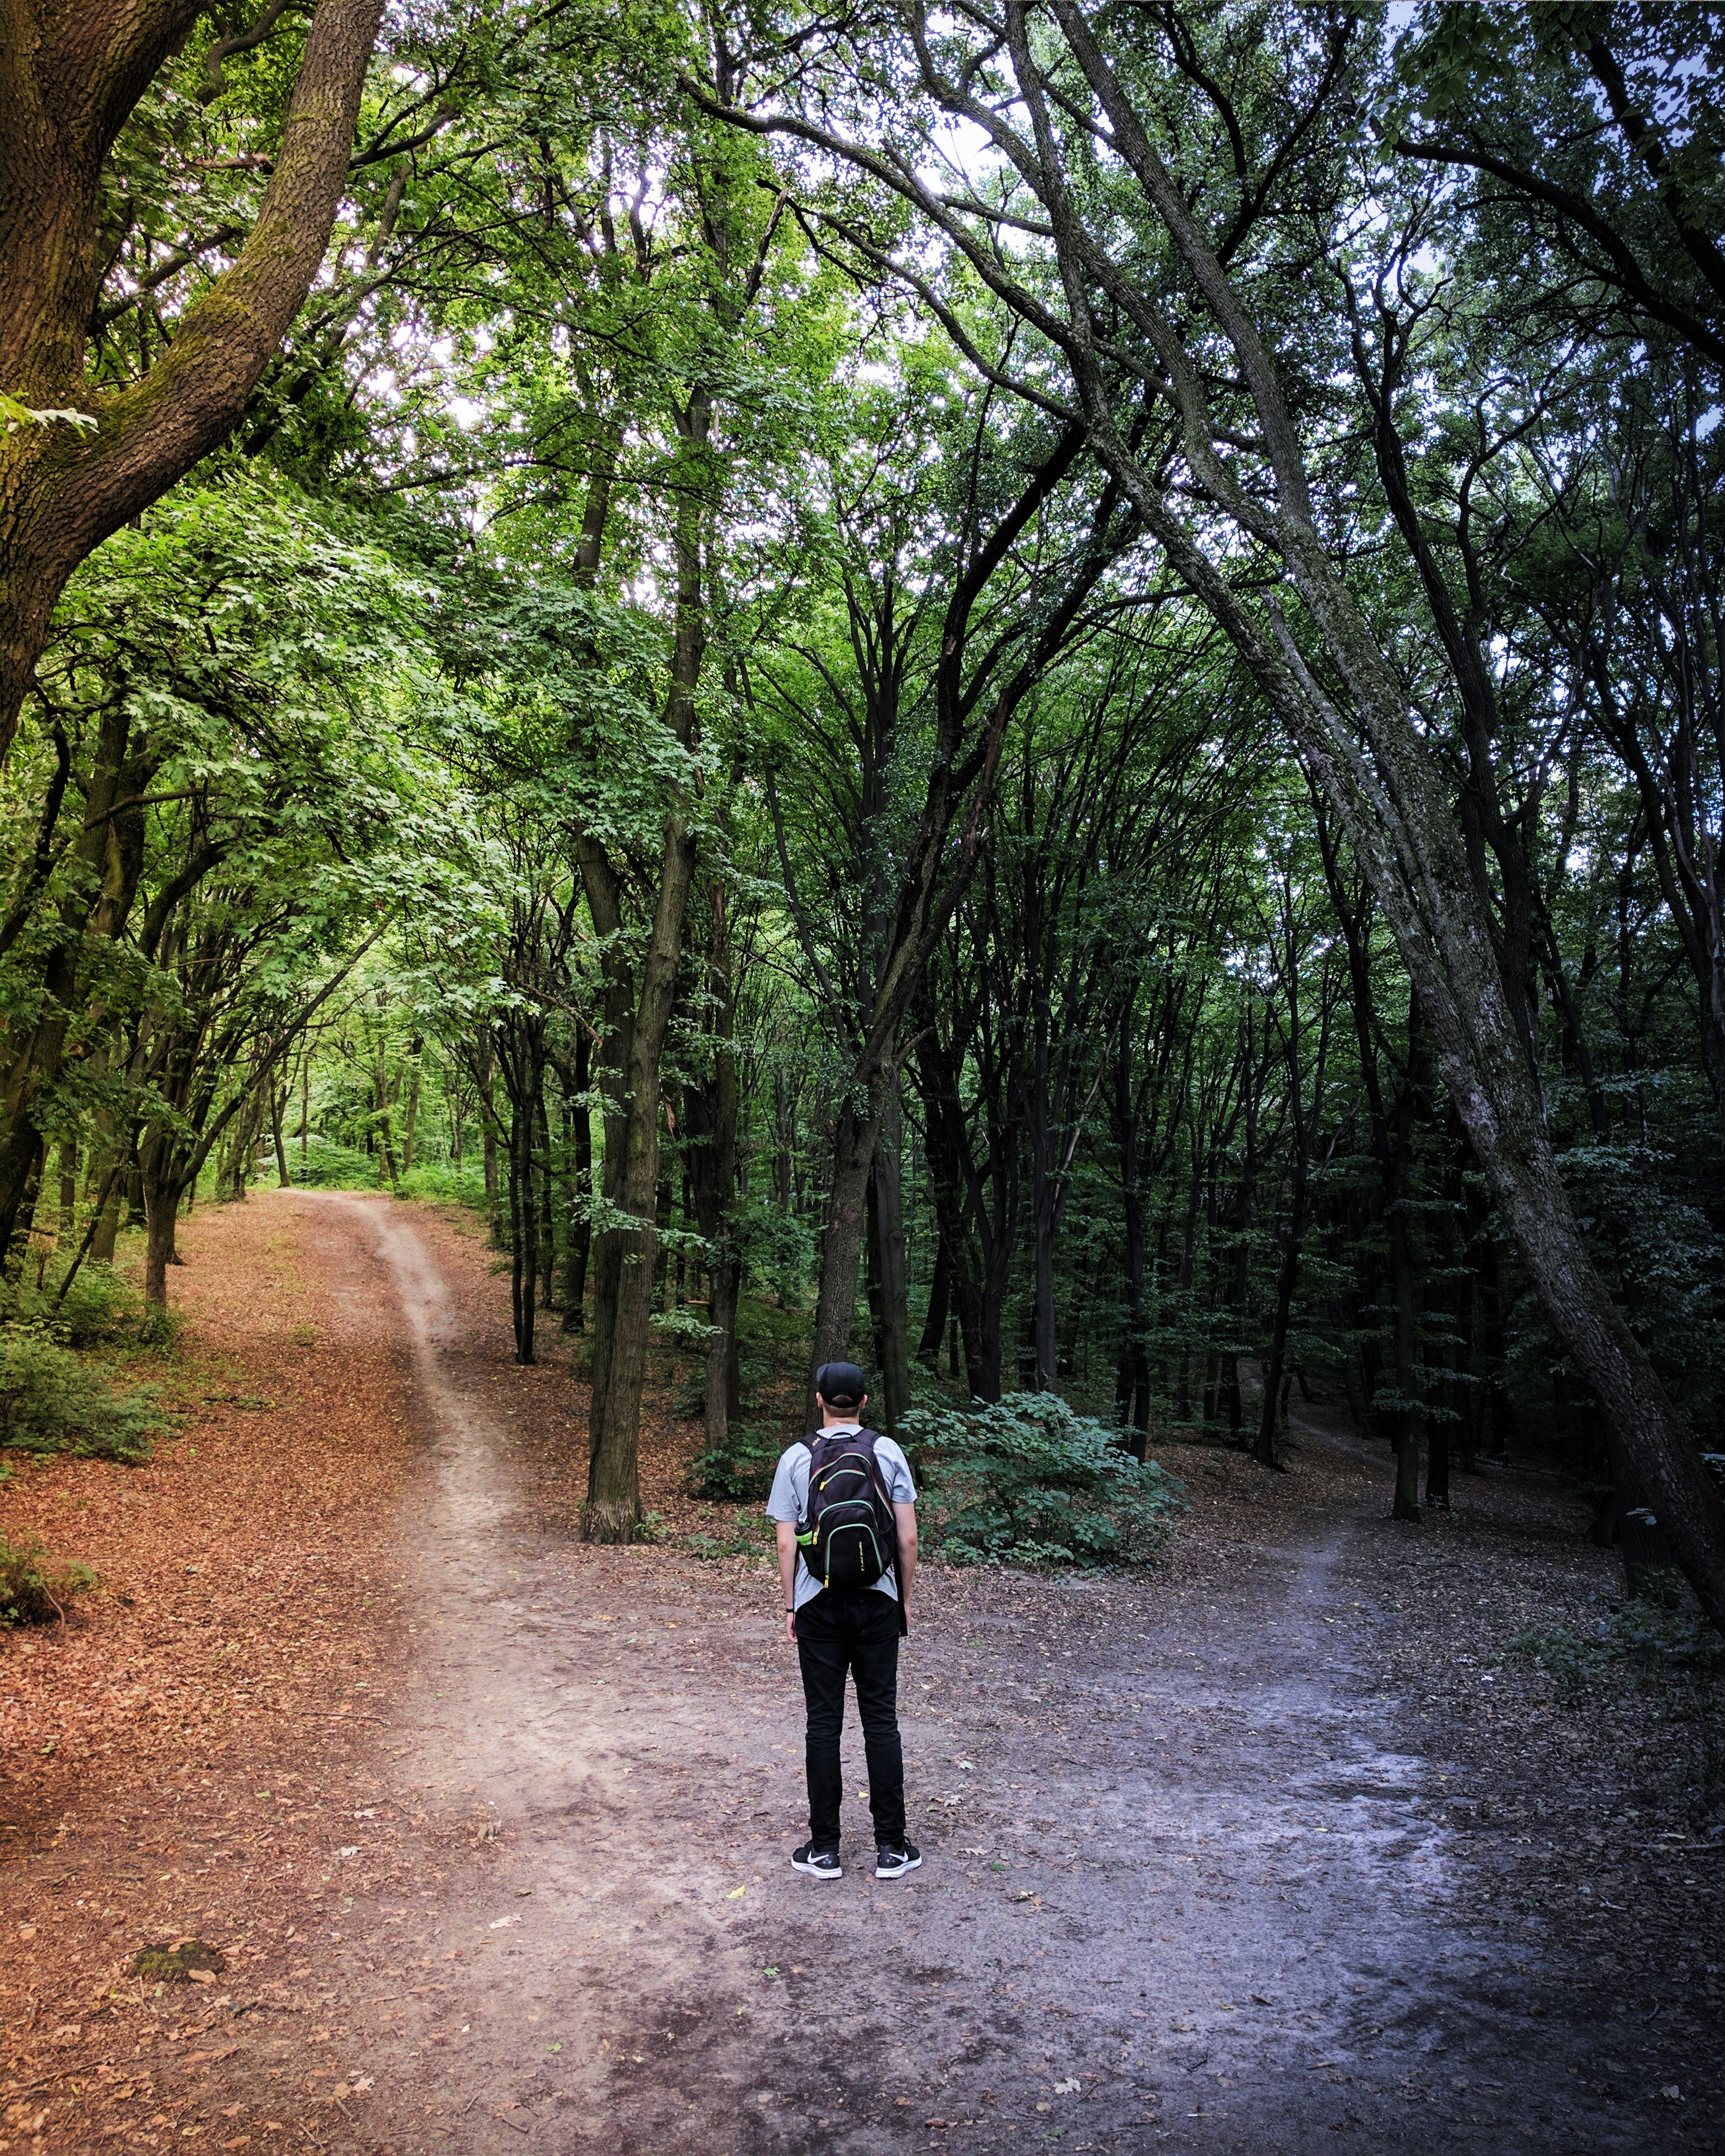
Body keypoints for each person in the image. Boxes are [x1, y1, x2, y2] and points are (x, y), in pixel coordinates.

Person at [766, 1360, 922, 1881]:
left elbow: (787, 1541)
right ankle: (892, 1848)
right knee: (881, 1719)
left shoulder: (796, 1457)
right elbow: (908, 1539)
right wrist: (902, 1598)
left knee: (822, 1722)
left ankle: (825, 1849)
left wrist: (791, 1605)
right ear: (863, 1401)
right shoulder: (887, 1451)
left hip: (819, 1602)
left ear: (819, 1401)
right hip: (878, 1599)